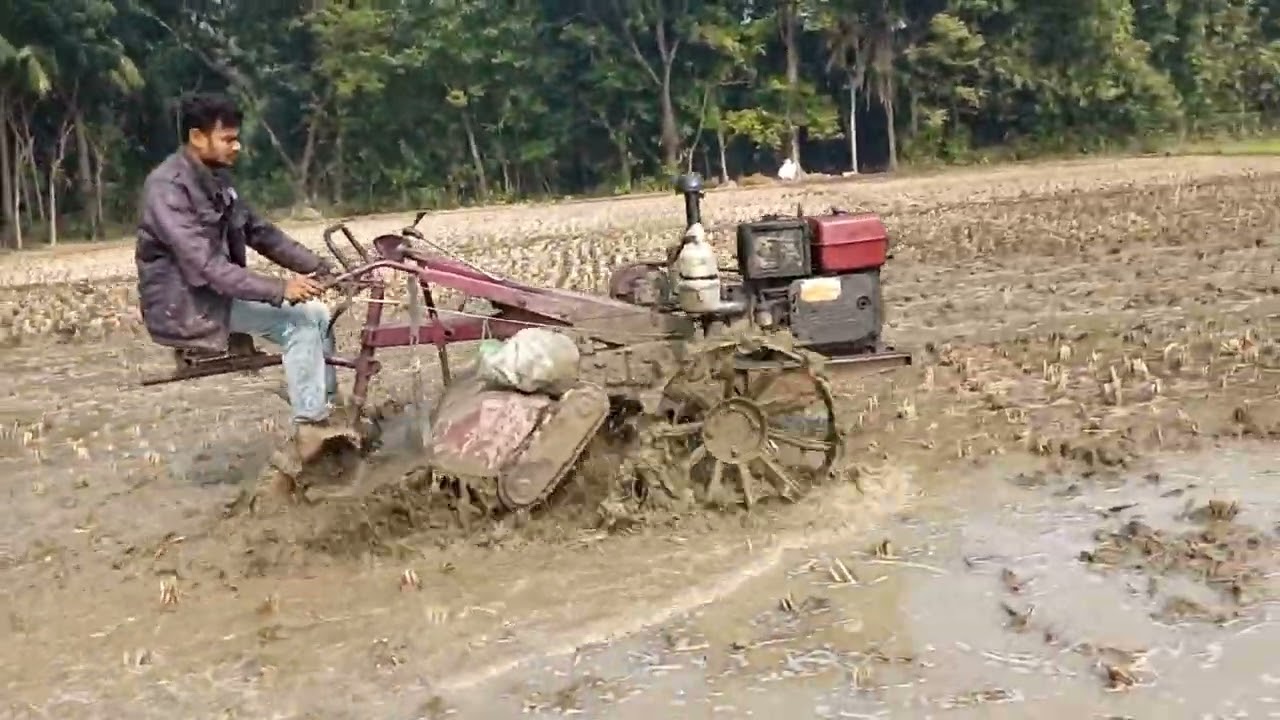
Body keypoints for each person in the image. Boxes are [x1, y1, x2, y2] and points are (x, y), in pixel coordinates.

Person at [135, 92, 358, 484]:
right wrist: (280, 288)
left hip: (212, 293)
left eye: (237, 138)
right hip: (186, 302)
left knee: (319, 314)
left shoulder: (218, 180)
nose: (236, 146)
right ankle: (311, 427)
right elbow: (206, 265)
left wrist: (322, 269)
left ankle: (326, 410)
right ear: (197, 137)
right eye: (228, 138)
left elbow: (262, 233)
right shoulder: (167, 189)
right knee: (300, 321)